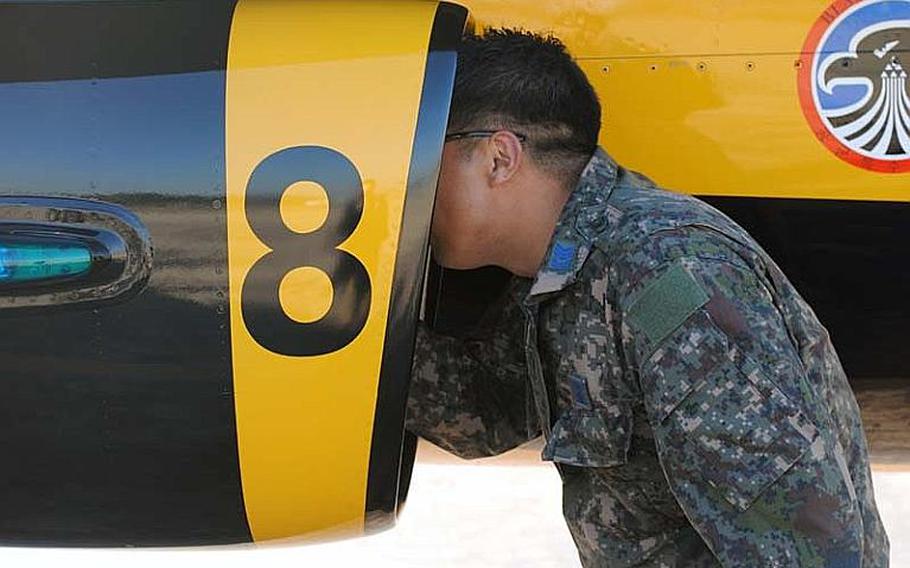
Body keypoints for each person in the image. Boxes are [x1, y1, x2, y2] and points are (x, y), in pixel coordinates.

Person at [405, 28, 889, 567]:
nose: (409, 187)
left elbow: (803, 542)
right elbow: (483, 411)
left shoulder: (668, 276)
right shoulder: (566, 273)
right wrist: (340, 326)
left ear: (499, 157)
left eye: (421, 157)